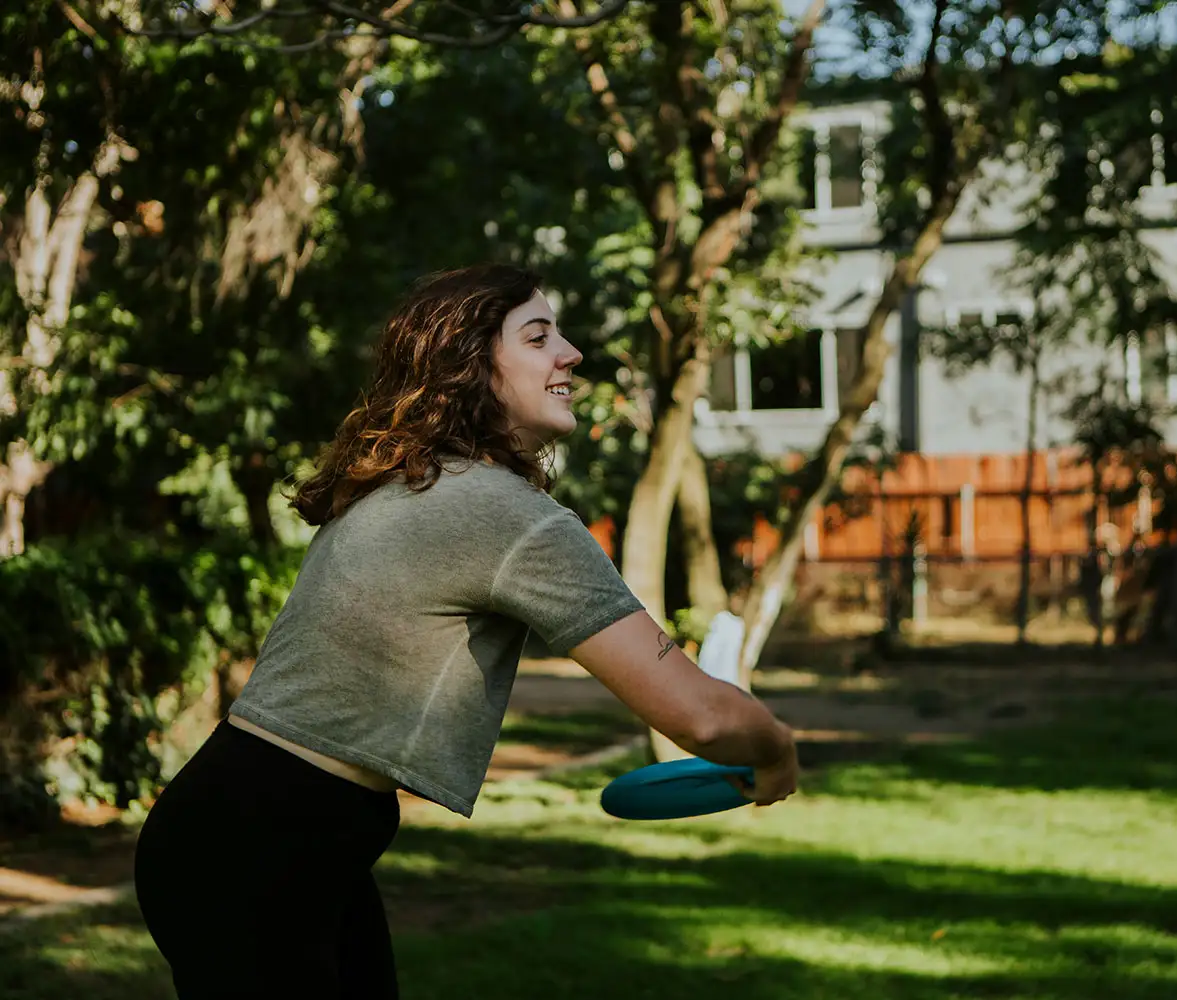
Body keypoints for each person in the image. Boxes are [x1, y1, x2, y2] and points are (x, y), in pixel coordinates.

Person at [132, 263, 800, 999]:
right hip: (260, 848)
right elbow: (701, 716)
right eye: (539, 336)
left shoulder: (413, 482)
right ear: (470, 364)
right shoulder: (505, 513)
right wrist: (776, 751)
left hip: (261, 831)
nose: (571, 353)